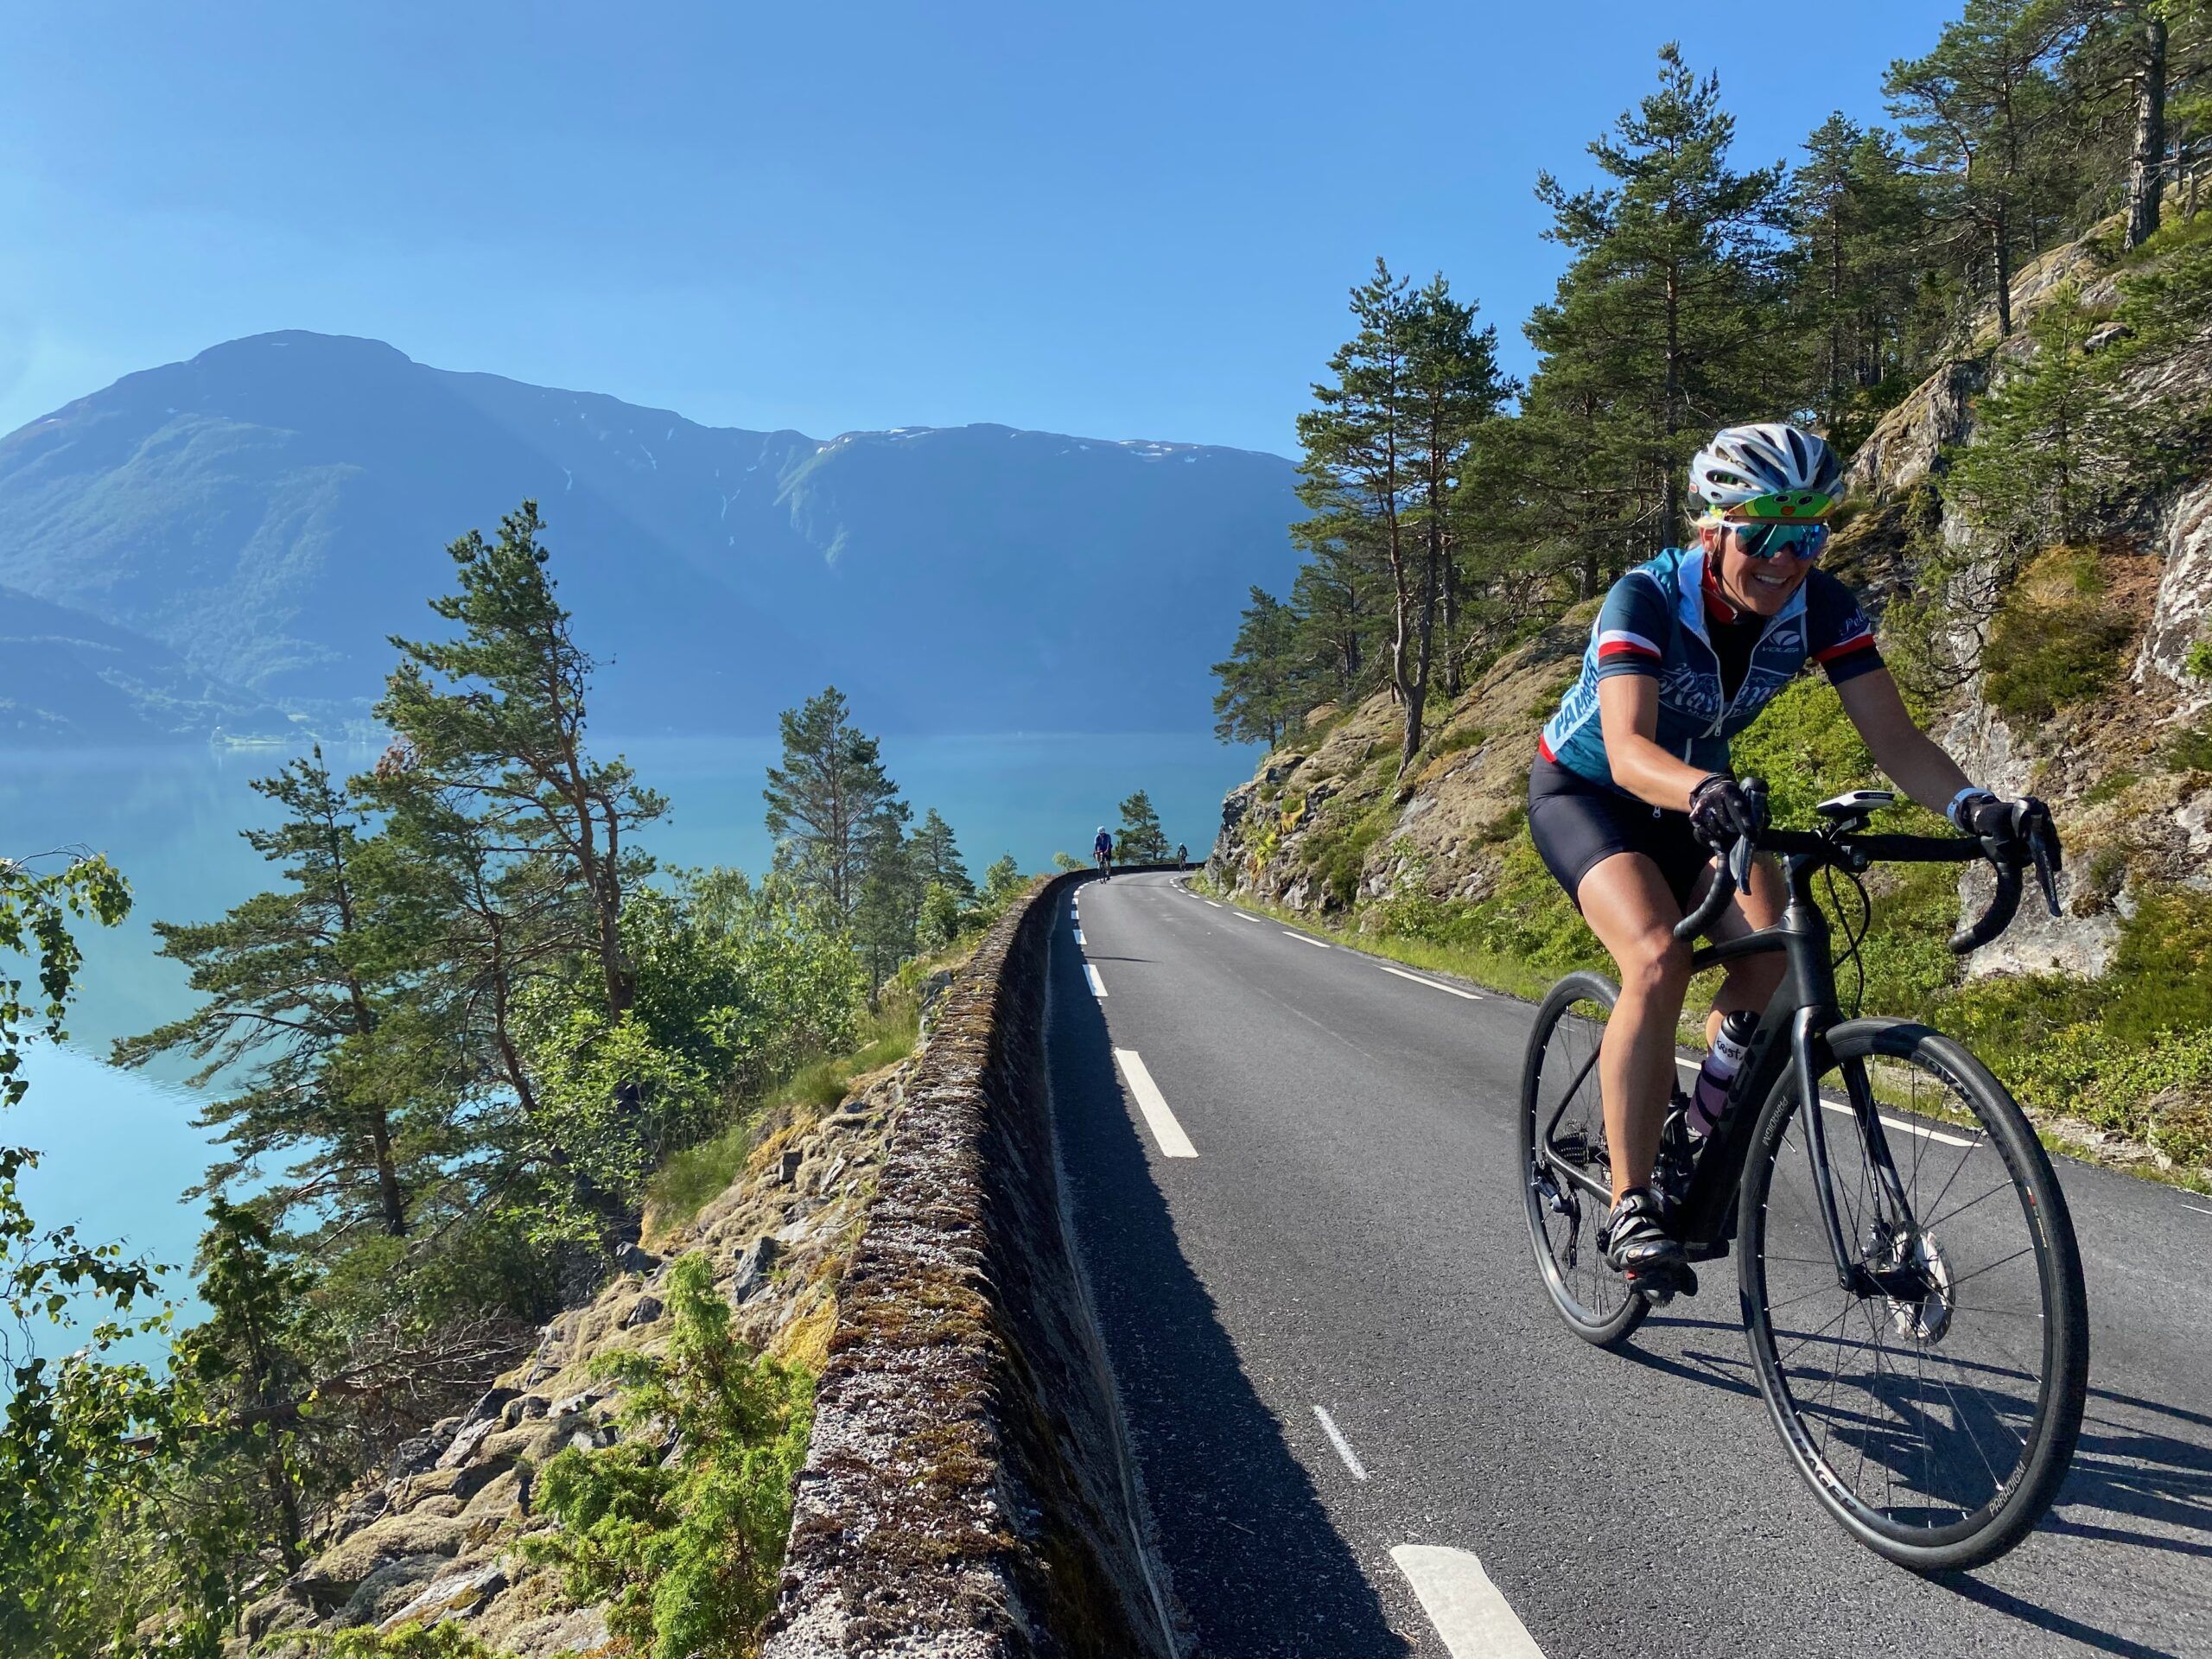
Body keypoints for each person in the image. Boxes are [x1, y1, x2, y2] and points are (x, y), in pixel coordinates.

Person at [1528, 422, 2043, 1296]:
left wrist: (1976, 805)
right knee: (1657, 957)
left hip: (1703, 795)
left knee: (1773, 960)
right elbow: (1623, 750)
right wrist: (1695, 790)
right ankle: (1631, 1199)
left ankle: (1697, 1112)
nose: (1782, 557)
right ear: (1711, 528)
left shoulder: (1822, 606)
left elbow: (1895, 738)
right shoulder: (1645, 599)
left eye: (1804, 535)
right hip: (1595, 794)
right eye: (1761, 532)